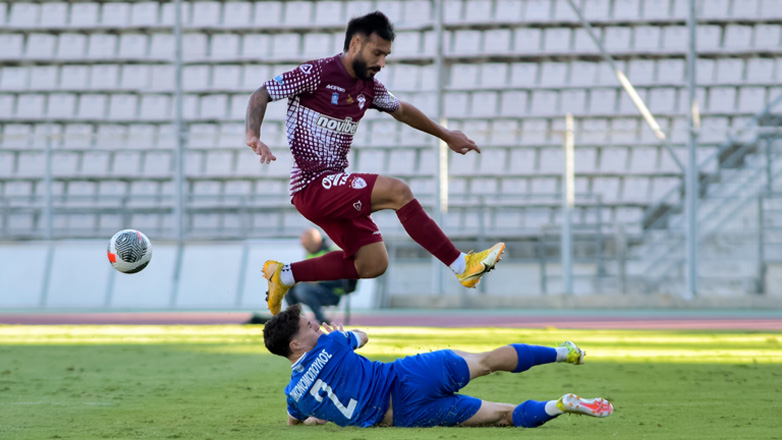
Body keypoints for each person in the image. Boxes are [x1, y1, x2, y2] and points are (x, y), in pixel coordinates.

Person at [245, 11, 505, 315]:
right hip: (312, 186)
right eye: (377, 52)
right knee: (398, 191)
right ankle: (463, 265)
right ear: (355, 43)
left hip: (332, 188)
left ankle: (284, 274)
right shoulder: (316, 73)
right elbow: (262, 93)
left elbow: (403, 110)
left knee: (372, 263)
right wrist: (253, 134)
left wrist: (446, 135)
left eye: (386, 55)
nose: (381, 63)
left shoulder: (369, 88)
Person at [262, 305, 614, 428]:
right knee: (488, 361)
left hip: (405, 416)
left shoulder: (296, 394)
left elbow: (294, 418)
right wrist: (345, 334)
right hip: (408, 376)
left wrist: (314, 415)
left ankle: (558, 405)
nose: (316, 326)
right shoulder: (331, 342)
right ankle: (561, 351)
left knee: (504, 416)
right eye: (309, 326)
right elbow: (364, 336)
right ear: (295, 344)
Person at [286, 228, 357, 324]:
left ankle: (322, 320)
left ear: (315, 241)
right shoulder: (310, 254)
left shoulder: (332, 253)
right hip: (313, 290)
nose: (304, 247)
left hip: (333, 293)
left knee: (303, 289)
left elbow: (344, 281)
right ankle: (299, 322)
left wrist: (319, 281)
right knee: (288, 289)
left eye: (306, 244)